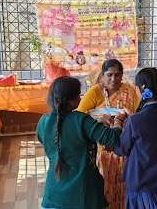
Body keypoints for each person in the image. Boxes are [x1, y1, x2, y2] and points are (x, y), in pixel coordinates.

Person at [36, 76, 127, 209]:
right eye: (79, 95)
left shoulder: (43, 122)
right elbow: (113, 137)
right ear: (71, 101)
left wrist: (93, 125)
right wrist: (119, 120)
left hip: (53, 195)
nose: (80, 98)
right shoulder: (81, 121)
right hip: (81, 197)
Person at [77, 59, 140, 209]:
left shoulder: (129, 91)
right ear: (102, 76)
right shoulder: (95, 92)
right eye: (109, 75)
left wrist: (128, 116)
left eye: (118, 75)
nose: (114, 79)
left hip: (125, 142)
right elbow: (79, 117)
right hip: (101, 143)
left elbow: (138, 115)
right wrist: (98, 118)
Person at [114, 67, 157, 208]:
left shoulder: (135, 121)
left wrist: (118, 123)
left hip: (141, 184)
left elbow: (120, 149)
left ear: (140, 90)